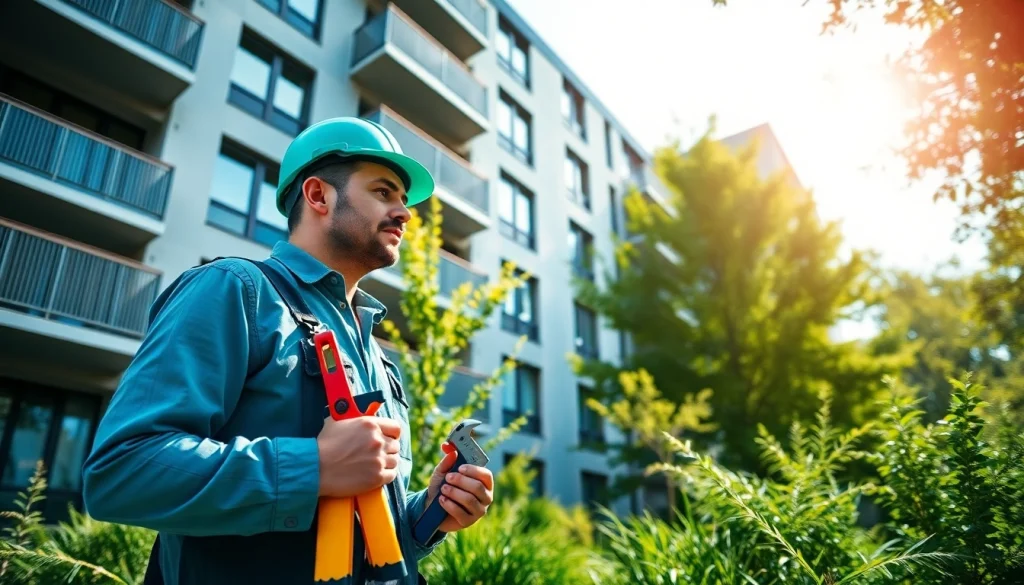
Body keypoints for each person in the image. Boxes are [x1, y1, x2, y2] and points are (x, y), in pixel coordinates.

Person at [81, 117, 494, 585]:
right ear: (318, 196)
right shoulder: (235, 291)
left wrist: (428, 513)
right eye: (384, 192)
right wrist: (313, 467)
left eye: (403, 199)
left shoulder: (378, 355)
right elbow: (122, 473)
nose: (404, 212)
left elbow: (361, 522)